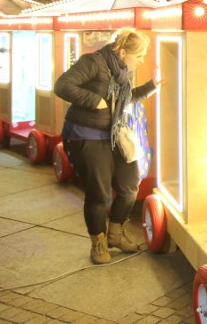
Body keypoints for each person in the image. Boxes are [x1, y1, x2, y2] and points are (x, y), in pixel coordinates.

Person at [53, 28, 159, 265]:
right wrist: (95, 100)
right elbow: (62, 85)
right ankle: (98, 243)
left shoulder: (122, 70)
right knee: (99, 195)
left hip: (113, 134)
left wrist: (152, 86)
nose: (141, 60)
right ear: (122, 52)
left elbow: (125, 98)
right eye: (138, 56)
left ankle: (115, 235)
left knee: (130, 185)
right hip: (85, 135)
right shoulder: (92, 62)